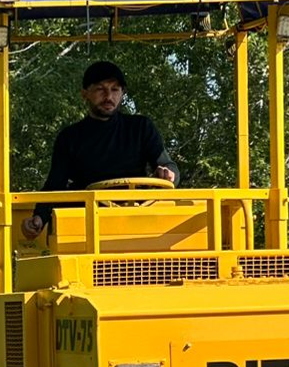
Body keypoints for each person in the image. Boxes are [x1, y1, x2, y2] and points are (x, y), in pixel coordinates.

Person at [21, 61, 177, 239]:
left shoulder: (141, 127)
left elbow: (167, 165)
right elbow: (55, 185)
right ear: (84, 94)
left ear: (122, 94)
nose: (108, 96)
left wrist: (168, 173)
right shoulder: (70, 137)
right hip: (86, 228)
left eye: (115, 89)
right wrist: (39, 218)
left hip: (138, 223)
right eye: (100, 89)